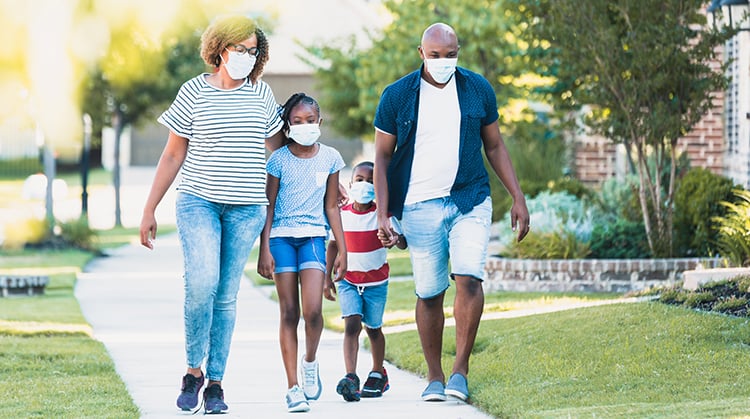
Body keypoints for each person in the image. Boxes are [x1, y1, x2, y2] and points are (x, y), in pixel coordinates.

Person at [373, 22, 530, 403]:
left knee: (469, 279)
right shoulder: (397, 96)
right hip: (419, 204)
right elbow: (381, 155)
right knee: (429, 293)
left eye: (451, 55)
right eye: (436, 55)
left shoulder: (477, 89)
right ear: (421, 53)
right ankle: (434, 376)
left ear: (458, 52)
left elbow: (493, 146)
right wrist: (382, 213)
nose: (444, 62)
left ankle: (460, 370)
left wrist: (518, 196)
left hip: (469, 198)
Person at [138, 15, 285, 414]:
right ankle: (192, 371)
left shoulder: (261, 95)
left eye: (253, 50)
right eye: (240, 48)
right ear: (220, 49)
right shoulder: (194, 92)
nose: (246, 56)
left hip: (247, 209)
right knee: (201, 283)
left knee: (226, 296)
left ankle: (216, 383)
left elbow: (282, 150)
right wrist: (149, 208)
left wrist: (322, 169)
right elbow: (172, 153)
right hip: (198, 201)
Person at [257, 93, 347, 413]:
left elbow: (332, 207)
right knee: (289, 312)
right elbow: (268, 207)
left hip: (312, 238)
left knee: (313, 311)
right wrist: (263, 248)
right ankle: (293, 387)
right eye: (297, 122)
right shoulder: (278, 160)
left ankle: (310, 362)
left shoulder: (331, 158)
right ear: (288, 125)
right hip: (281, 239)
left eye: (310, 121)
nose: (305, 126)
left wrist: (343, 249)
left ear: (319, 122)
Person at [323, 161, 407, 402]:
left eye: (371, 181)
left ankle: (377, 372)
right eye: (359, 180)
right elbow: (333, 245)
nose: (365, 185)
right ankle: (350, 376)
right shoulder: (342, 214)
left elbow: (402, 241)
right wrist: (327, 279)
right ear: (351, 184)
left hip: (376, 282)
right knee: (352, 325)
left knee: (373, 328)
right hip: (348, 280)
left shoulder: (383, 215)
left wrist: (394, 238)